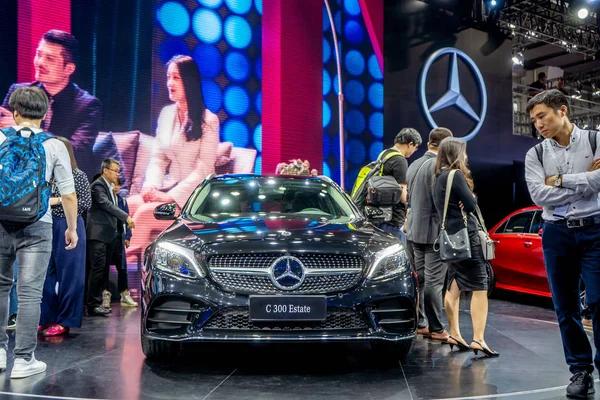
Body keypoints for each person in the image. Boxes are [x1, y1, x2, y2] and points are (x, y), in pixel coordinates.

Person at [525, 89, 600, 398]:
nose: (538, 124)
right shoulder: (536, 154)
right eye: (533, 120)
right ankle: (580, 372)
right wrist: (585, 182)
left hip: (595, 230)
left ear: (563, 110)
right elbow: (538, 195)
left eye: (542, 116)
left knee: (598, 302)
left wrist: (558, 180)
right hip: (556, 233)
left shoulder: (595, 140)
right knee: (565, 307)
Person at [0, 86, 78, 378]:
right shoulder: (55, 145)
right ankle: (23, 360)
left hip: (1, 222)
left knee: (0, 287)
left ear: (15, 113)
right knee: (30, 293)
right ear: (45, 115)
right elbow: (69, 195)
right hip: (39, 224)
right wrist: (71, 228)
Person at [127, 55, 219, 257]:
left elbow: (204, 170)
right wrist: (151, 185)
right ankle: (109, 268)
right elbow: (158, 158)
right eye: (169, 77)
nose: (170, 83)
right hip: (166, 190)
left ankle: (130, 282)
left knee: (144, 214)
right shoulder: (166, 114)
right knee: (128, 205)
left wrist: (169, 196)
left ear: (190, 81)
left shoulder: (209, 121)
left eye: (176, 78)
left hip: (193, 200)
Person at [0, 30, 102, 179]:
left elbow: (75, 152)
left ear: (69, 69)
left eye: (50, 59)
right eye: (39, 54)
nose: (40, 62)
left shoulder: (88, 105)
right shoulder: (18, 92)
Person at [432, 138, 497, 358]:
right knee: (480, 285)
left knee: (454, 284)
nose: (466, 156)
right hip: (467, 238)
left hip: (450, 241)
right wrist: (472, 197)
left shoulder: (438, 178)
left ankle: (454, 333)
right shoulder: (455, 175)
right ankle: (478, 339)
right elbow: (470, 205)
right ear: (456, 154)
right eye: (464, 152)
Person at [39, 137, 91, 337]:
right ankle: (47, 318)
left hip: (69, 225)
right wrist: (59, 200)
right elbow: (40, 201)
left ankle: (65, 320)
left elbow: (84, 203)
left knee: (70, 276)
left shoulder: (78, 175)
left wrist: (56, 200)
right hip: (46, 224)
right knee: (45, 276)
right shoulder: (47, 176)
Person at [406, 127, 453, 342]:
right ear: (446, 146)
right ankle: (436, 328)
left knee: (420, 281)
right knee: (434, 282)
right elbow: (439, 202)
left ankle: (421, 323)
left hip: (414, 230)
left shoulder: (414, 163)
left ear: (428, 144)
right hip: (433, 233)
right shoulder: (439, 167)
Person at [86, 159, 135, 317]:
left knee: (102, 269)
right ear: (105, 170)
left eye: (118, 171)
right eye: (115, 170)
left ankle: (96, 303)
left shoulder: (109, 187)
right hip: (98, 236)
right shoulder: (98, 186)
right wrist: (126, 217)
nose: (117, 174)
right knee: (97, 270)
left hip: (108, 237)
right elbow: (106, 205)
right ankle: (92, 304)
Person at [378, 128, 422, 246]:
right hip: (393, 221)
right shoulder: (400, 160)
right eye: (415, 147)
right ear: (410, 144)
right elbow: (403, 196)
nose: (414, 151)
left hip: (381, 216)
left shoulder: (384, 154)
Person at [102, 178, 138, 309]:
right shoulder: (104, 201)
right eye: (113, 185)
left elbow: (127, 220)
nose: (116, 188)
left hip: (118, 237)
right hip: (105, 238)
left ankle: (124, 294)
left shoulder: (123, 201)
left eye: (118, 185)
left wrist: (128, 236)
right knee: (104, 267)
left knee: (122, 268)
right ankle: (105, 294)